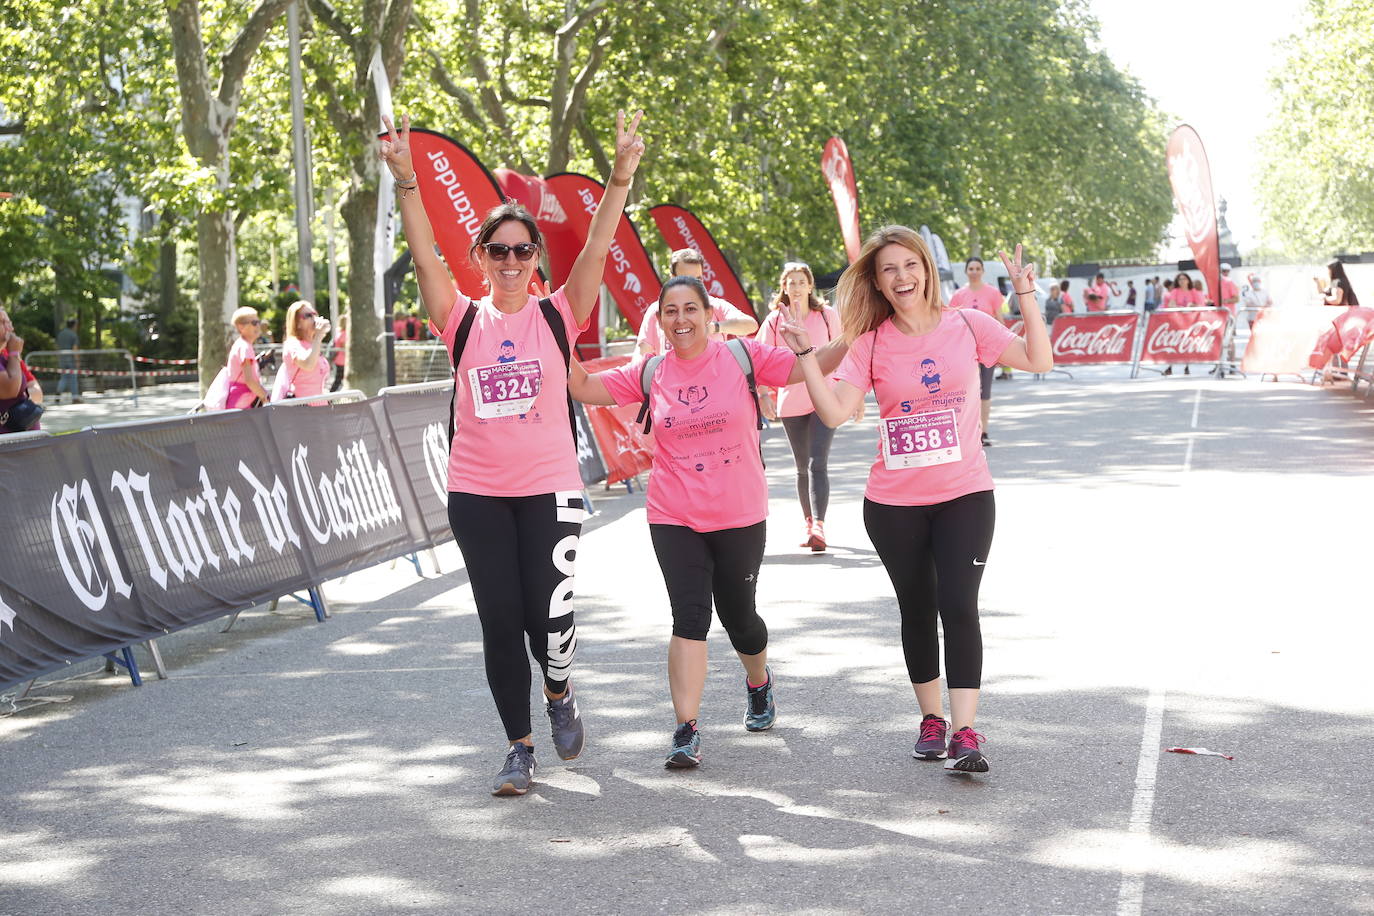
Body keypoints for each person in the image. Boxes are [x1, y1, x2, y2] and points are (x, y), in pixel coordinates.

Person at [379, 109, 644, 796]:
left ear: (535, 261)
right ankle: (519, 748)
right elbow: (423, 253)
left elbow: (595, 250)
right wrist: (408, 182)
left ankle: (560, 691)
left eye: (522, 251)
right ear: (482, 260)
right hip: (477, 492)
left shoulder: (559, 313)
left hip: (550, 488)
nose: (510, 261)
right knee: (500, 621)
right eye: (497, 251)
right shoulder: (460, 318)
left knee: (547, 619)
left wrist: (618, 178)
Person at [782, 227, 1052, 775]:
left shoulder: (968, 324)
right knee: (918, 609)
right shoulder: (872, 342)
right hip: (893, 505)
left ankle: (966, 730)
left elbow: (1038, 360)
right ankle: (932, 720)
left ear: (926, 269)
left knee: (958, 604)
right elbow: (834, 414)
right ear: (877, 283)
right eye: (888, 270)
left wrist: (1025, 294)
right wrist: (808, 356)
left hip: (966, 495)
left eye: (910, 265)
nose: (901, 277)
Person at [568, 275, 848, 769]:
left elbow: (813, 369)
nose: (680, 320)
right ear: (659, 320)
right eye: (669, 311)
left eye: (690, 309)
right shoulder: (650, 371)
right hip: (673, 513)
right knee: (689, 616)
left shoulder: (742, 357)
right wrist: (552, 332)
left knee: (740, 617)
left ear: (709, 314)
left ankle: (758, 682)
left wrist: (853, 332)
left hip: (739, 512)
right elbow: (584, 386)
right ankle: (685, 729)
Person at [756, 262, 843, 551]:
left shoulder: (828, 316)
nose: (795, 287)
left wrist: (852, 396)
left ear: (810, 285)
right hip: (791, 401)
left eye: (800, 281)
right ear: (784, 287)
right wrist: (764, 395)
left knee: (819, 462)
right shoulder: (773, 322)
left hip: (825, 399)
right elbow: (761, 359)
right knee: (802, 466)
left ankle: (819, 524)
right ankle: (809, 522)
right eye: (790, 282)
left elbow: (847, 353)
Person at [636, 249, 758, 356]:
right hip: (672, 380)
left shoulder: (715, 306)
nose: (693, 285)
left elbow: (750, 325)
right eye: (686, 279)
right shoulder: (656, 310)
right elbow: (643, 355)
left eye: (698, 279)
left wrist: (714, 327)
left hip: (713, 380)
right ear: (672, 277)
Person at [949, 256, 1005, 446]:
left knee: (985, 392)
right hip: (965, 352)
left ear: (982, 271)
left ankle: (984, 432)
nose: (974, 272)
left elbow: (999, 321)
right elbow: (952, 324)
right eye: (971, 269)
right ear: (966, 271)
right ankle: (968, 432)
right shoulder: (958, 295)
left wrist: (1002, 348)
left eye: (977, 268)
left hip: (987, 350)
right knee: (967, 393)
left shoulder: (993, 293)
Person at [272, 301, 332, 402]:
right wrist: (318, 336)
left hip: (320, 407)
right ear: (297, 323)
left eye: (314, 314)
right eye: (308, 315)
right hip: (301, 408)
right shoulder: (292, 344)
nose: (313, 318)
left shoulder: (313, 344)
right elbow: (308, 365)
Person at [0, 307, 42, 432]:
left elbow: (38, 394)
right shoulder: (12, 356)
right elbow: (10, 389)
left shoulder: (7, 357)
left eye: (9, 322)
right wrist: (14, 353)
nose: (10, 328)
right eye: (2, 322)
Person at [225, 307, 271, 408]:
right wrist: (266, 396)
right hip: (242, 403)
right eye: (254, 323)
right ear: (241, 327)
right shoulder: (245, 347)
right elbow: (249, 380)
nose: (258, 326)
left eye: (258, 322)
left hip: (240, 402)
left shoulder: (242, 345)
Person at [55, 317, 81, 403]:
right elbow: (75, 348)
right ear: (74, 325)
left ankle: (58, 393)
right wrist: (77, 361)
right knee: (73, 378)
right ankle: (75, 397)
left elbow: (57, 347)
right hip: (71, 359)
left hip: (62, 359)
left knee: (64, 377)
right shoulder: (73, 335)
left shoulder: (61, 334)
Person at [329, 313, 348, 392]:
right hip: (342, 361)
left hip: (338, 360)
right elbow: (345, 346)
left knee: (339, 380)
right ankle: (330, 396)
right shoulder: (344, 333)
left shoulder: (339, 332)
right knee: (338, 380)